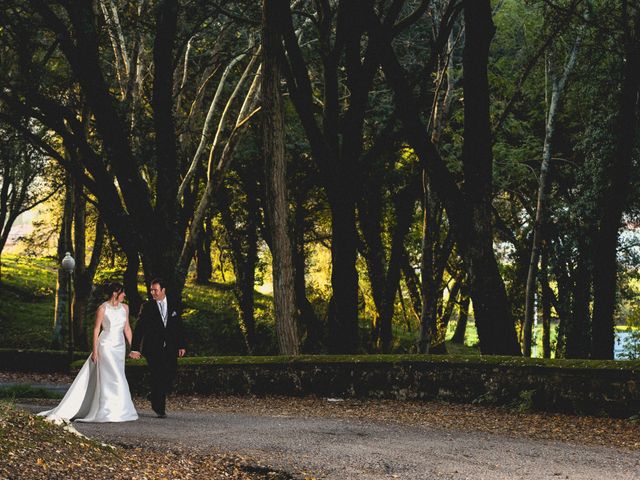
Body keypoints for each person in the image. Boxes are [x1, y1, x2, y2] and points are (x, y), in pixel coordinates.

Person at [39, 282, 138, 424]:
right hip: (106, 345)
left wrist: (133, 347)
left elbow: (127, 328)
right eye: (122, 292)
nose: (125, 295)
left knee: (119, 374)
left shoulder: (125, 308)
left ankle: (119, 409)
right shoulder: (103, 308)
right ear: (115, 293)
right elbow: (96, 329)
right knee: (114, 376)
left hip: (120, 346)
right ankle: (107, 411)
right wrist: (95, 351)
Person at [129, 278, 185, 418]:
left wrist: (182, 344)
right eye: (151, 290)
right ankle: (159, 408)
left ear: (163, 290)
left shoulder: (175, 304)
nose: (153, 292)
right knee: (157, 375)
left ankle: (153, 395)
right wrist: (135, 348)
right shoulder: (147, 306)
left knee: (171, 372)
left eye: (156, 290)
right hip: (153, 348)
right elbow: (139, 328)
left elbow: (179, 326)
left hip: (171, 346)